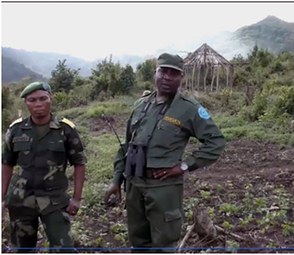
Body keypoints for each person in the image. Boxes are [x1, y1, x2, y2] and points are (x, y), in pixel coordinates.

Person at [104, 53, 226, 252]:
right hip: (134, 185)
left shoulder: (189, 109)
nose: (167, 77)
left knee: (164, 246)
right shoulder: (141, 105)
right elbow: (127, 145)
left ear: (181, 77)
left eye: (174, 73)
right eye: (163, 71)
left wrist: (184, 166)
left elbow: (216, 142)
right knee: (139, 243)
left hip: (163, 188)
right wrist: (116, 180)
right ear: (155, 73)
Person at [2, 81, 87, 252]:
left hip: (54, 201)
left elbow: (79, 163)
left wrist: (77, 198)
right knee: (21, 249)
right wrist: (1, 198)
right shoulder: (16, 130)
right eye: (32, 100)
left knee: (64, 248)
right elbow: (7, 164)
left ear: (51, 99)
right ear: (26, 103)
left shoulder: (65, 129)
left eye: (43, 98)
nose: (38, 104)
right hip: (21, 201)